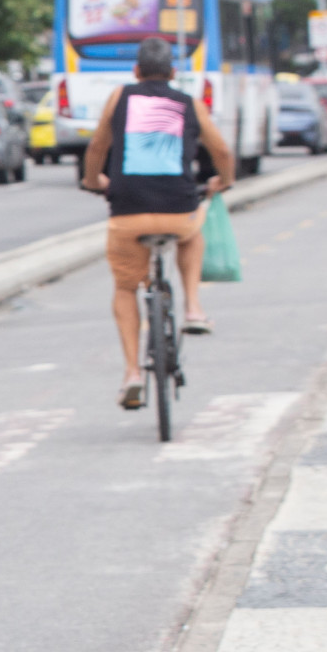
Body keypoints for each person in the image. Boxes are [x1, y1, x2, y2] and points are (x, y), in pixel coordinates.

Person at [81, 37, 234, 410]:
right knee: (192, 232)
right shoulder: (188, 104)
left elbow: (98, 147)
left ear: (136, 71)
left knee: (125, 288)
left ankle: (133, 372)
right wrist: (222, 182)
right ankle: (194, 308)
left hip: (127, 211)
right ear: (173, 73)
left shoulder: (121, 98)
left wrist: (92, 181)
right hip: (178, 210)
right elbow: (222, 151)